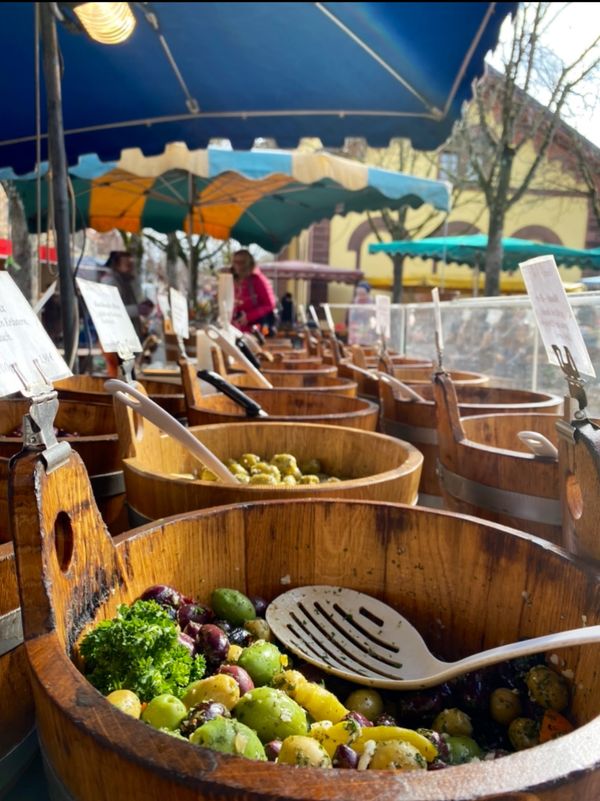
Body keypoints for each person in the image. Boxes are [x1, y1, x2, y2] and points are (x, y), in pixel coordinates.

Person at [99, 251, 154, 375]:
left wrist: (142, 306)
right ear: (117, 266)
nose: (131, 269)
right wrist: (137, 309)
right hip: (117, 340)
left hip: (127, 340)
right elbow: (111, 310)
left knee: (129, 375)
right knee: (121, 377)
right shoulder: (110, 281)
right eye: (128, 265)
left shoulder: (126, 282)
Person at [230, 249, 277, 335]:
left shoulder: (257, 279)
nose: (237, 266)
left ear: (248, 263)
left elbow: (270, 304)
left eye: (241, 262)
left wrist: (248, 317)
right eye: (235, 262)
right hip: (237, 330)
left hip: (256, 331)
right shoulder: (233, 279)